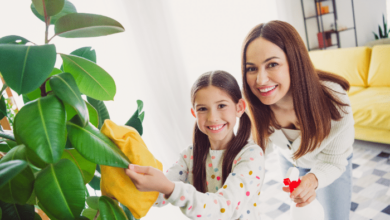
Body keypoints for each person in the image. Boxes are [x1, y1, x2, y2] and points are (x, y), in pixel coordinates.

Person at [241, 20, 354, 220]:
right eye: (251, 68)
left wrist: (312, 180)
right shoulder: (253, 105)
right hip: (290, 160)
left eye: (272, 64)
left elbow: (334, 160)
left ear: (295, 62)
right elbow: (255, 152)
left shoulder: (333, 100)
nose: (260, 80)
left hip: (330, 160)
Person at [125, 70, 265, 219]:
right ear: (194, 113)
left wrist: (168, 187)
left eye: (221, 106)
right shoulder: (189, 156)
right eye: (203, 109)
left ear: (239, 107)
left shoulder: (252, 156)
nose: (213, 117)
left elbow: (223, 208)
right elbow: (157, 196)